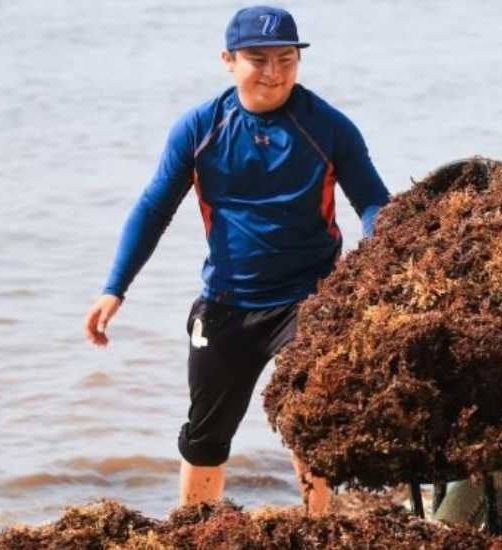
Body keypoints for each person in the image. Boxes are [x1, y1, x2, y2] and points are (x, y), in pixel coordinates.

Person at [82, 5, 390, 514]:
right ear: (228, 59)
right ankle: (193, 530)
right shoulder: (201, 127)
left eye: (286, 58)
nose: (274, 72)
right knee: (206, 432)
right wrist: (115, 287)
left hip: (310, 300)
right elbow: (154, 207)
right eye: (258, 58)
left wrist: (380, 263)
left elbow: (373, 201)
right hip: (227, 300)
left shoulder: (328, 127)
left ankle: (316, 529)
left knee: (309, 420)